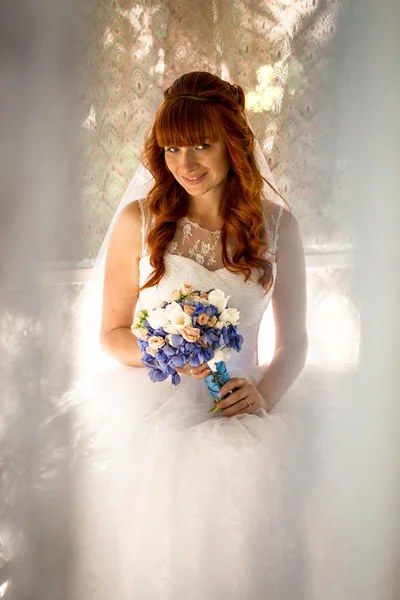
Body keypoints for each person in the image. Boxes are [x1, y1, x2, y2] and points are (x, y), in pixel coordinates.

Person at [71, 71, 310, 600]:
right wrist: (164, 350)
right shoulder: (141, 219)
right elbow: (111, 334)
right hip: (151, 414)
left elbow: (295, 343)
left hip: (239, 414)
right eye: (173, 148)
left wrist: (262, 394)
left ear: (233, 142)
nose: (186, 163)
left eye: (202, 144)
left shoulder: (278, 229)